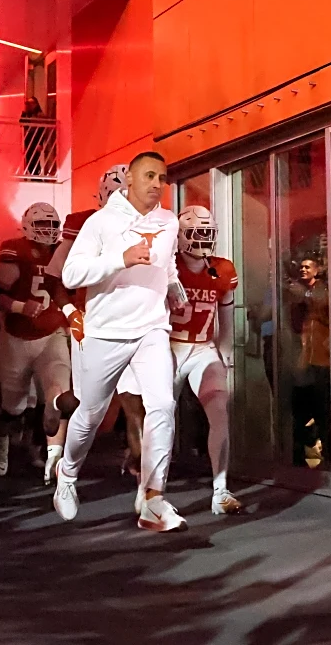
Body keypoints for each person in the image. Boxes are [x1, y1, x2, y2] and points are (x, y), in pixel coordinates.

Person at [54, 151, 187, 532]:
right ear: (129, 178)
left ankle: (152, 498)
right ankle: (67, 473)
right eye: (148, 176)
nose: (156, 184)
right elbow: (72, 274)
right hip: (105, 332)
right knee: (90, 416)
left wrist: (174, 286)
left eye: (162, 178)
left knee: (162, 404)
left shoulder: (168, 222)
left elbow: (168, 262)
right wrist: (120, 259)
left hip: (151, 329)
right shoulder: (100, 223)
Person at [44, 164, 144, 480]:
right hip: (92, 322)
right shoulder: (84, 223)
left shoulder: (149, 224)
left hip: (132, 321)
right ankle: (60, 402)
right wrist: (72, 313)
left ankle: (143, 475)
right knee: (92, 404)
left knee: (134, 400)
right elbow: (54, 276)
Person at [0, 202, 72, 484]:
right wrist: (17, 307)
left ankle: (53, 457)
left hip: (52, 333)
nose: (48, 231)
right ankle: (2, 435)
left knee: (58, 394)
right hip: (17, 337)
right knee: (13, 406)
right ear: (26, 226)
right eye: (42, 225)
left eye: (52, 225)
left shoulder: (65, 250)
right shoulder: (17, 250)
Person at [168, 205, 241, 513]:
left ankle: (220, 489)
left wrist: (225, 351)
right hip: (167, 347)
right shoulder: (167, 267)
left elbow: (226, 313)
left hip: (201, 348)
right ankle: (151, 490)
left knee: (220, 412)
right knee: (160, 418)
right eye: (197, 233)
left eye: (208, 233)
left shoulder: (221, 269)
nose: (204, 240)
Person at [288, 254, 330, 468]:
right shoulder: (298, 293)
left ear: (317, 269)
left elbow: (324, 308)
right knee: (300, 409)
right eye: (301, 267)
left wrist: (304, 295)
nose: (303, 270)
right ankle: (299, 456)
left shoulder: (322, 289)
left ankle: (330, 457)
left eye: (307, 267)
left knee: (323, 411)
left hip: (322, 359)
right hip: (305, 357)